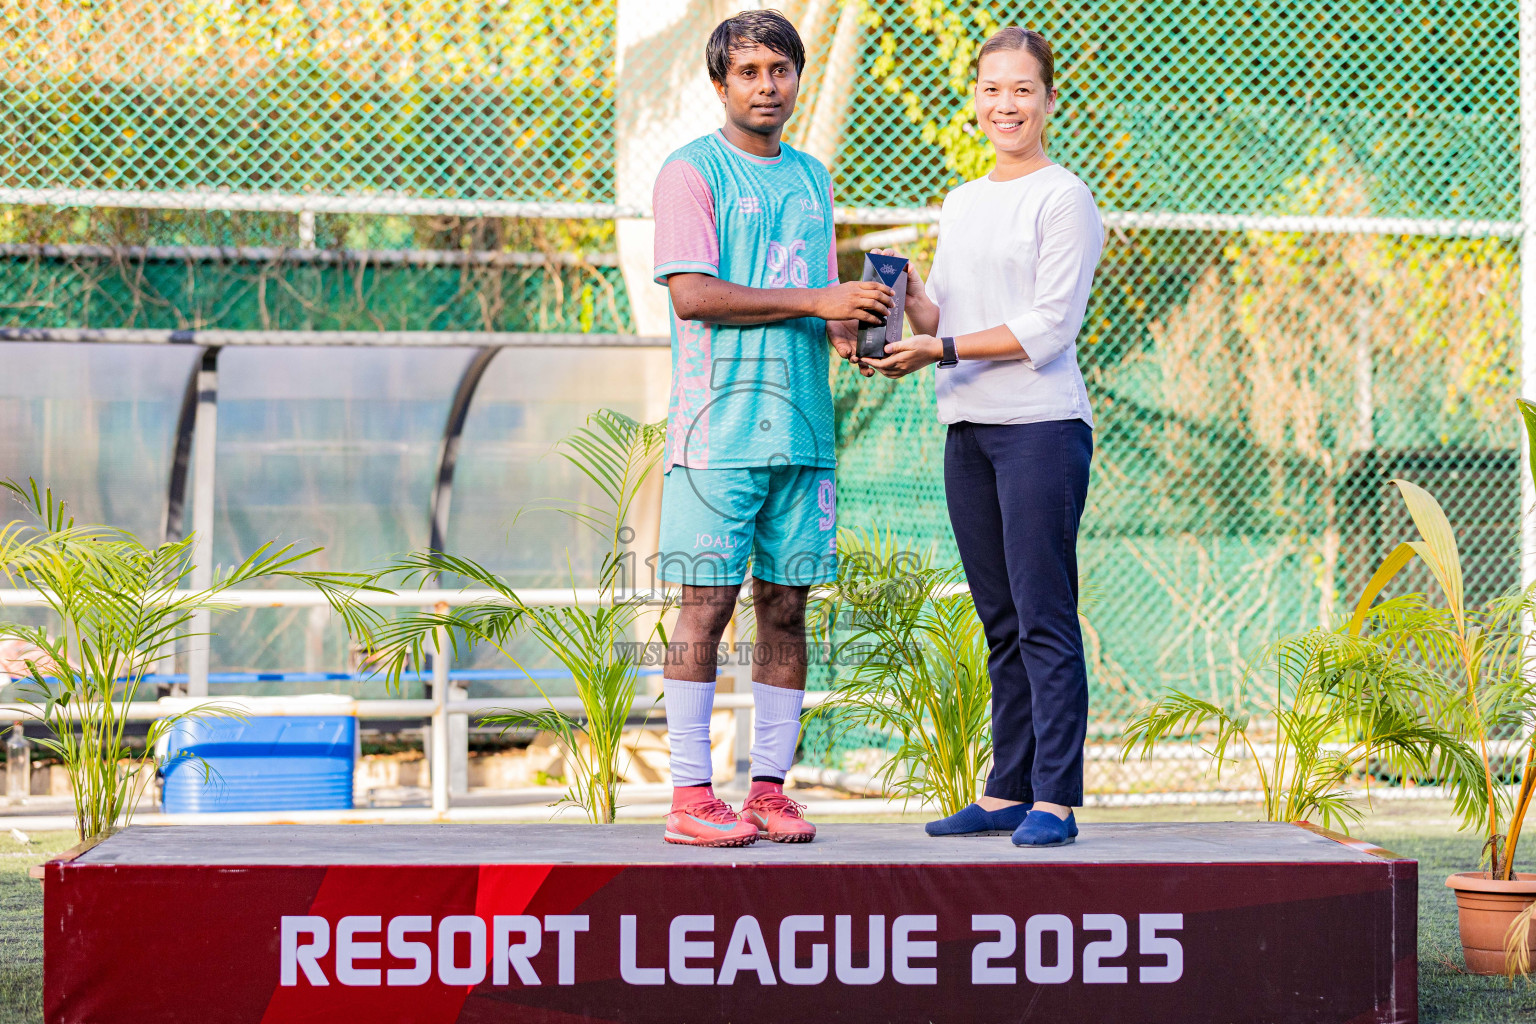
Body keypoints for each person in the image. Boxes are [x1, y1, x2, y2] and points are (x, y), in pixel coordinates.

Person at [651, 10, 894, 847]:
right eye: (749, 71)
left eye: (780, 70)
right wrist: (818, 301)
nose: (767, 85)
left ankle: (768, 790)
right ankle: (689, 795)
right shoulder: (690, 172)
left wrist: (851, 329)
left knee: (786, 611)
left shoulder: (813, 177)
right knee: (704, 610)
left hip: (804, 432)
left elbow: (813, 291)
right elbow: (695, 296)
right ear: (721, 84)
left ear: (797, 78)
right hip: (716, 436)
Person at [863, 27, 1103, 847]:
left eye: (1022, 90)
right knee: (1000, 620)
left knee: (1044, 615)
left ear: (1048, 101)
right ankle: (1005, 792)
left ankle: (1056, 799)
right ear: (975, 101)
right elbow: (950, 318)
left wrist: (944, 345)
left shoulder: (1063, 195)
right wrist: (910, 310)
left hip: (1040, 427)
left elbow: (1049, 322)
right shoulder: (962, 201)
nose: (1006, 104)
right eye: (992, 89)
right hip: (967, 423)